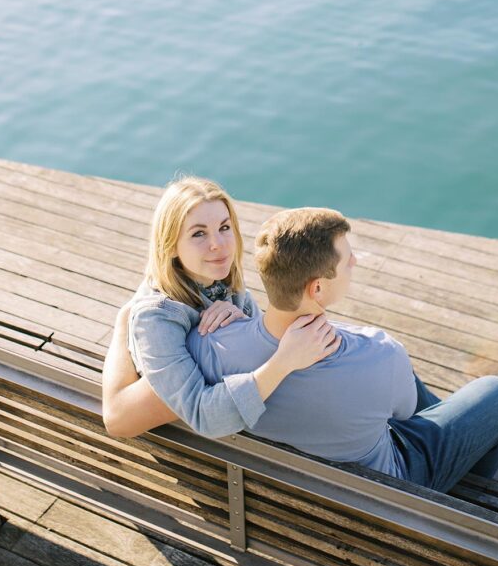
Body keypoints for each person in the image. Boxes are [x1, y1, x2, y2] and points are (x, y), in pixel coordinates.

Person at [105, 203, 498, 493]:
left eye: (224, 228)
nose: (355, 263)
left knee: (400, 384)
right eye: (348, 258)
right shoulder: (381, 351)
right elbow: (402, 414)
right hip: (391, 482)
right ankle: (475, 479)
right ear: (317, 287)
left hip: (295, 476)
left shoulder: (205, 343)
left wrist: (235, 323)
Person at [102, 177, 340, 439]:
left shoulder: (228, 287)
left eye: (224, 227)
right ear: (169, 246)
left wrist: (242, 324)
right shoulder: (157, 318)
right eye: (199, 233)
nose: (218, 244)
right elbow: (203, 415)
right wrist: (282, 363)